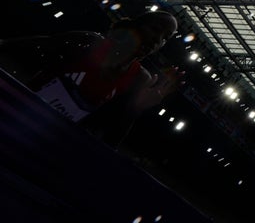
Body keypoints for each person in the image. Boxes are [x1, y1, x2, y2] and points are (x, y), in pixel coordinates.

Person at [0, 10, 180, 146]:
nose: (157, 39)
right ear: (136, 26)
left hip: (46, 141)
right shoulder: (89, 42)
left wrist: (135, 109)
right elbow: (14, 48)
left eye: (165, 38)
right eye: (155, 29)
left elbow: (108, 142)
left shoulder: (139, 79)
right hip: (11, 112)